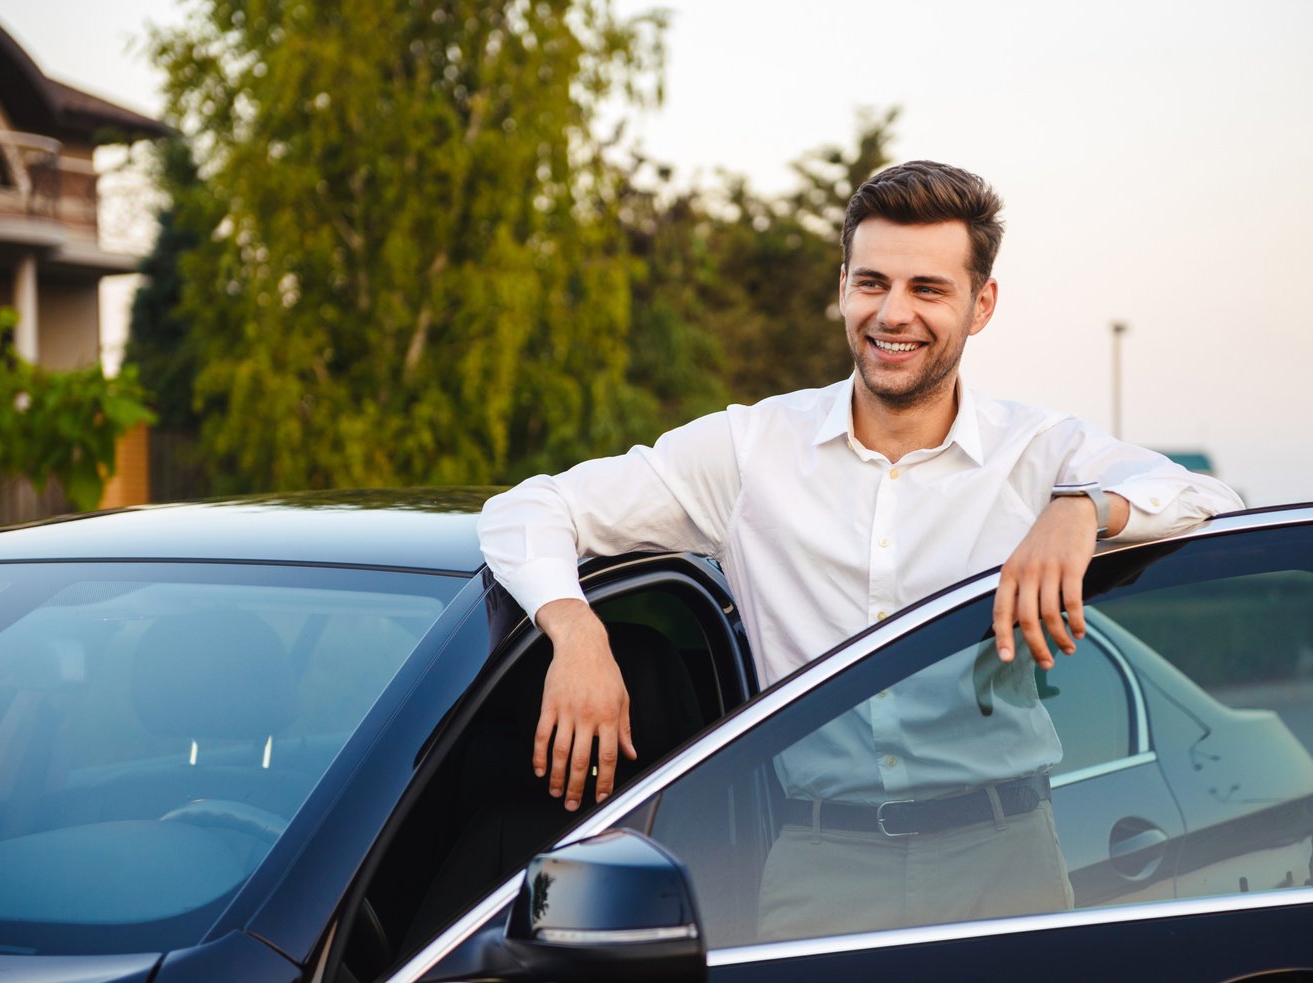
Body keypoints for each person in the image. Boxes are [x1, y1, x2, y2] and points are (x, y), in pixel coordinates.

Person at [478, 160, 1243, 934]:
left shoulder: (1037, 452)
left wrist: (1085, 510)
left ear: (982, 306)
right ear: (843, 286)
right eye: (872, 282)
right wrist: (575, 630)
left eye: (928, 289)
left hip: (1006, 858)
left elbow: (1210, 498)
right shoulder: (750, 451)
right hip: (816, 863)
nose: (893, 313)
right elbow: (527, 508)